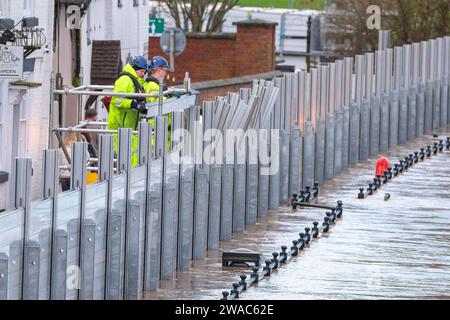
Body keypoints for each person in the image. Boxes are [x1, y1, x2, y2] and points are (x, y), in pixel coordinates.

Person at [108, 55, 149, 167]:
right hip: (120, 127)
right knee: (126, 160)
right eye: (142, 72)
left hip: (129, 128)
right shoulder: (125, 80)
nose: (143, 75)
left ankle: (133, 181)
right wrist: (133, 104)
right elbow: (116, 100)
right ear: (136, 69)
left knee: (133, 158)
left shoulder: (134, 80)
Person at [145, 56, 172, 146]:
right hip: (155, 130)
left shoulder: (157, 85)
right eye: (165, 70)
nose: (165, 73)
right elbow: (157, 101)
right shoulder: (152, 85)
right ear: (158, 69)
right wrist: (171, 99)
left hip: (160, 128)